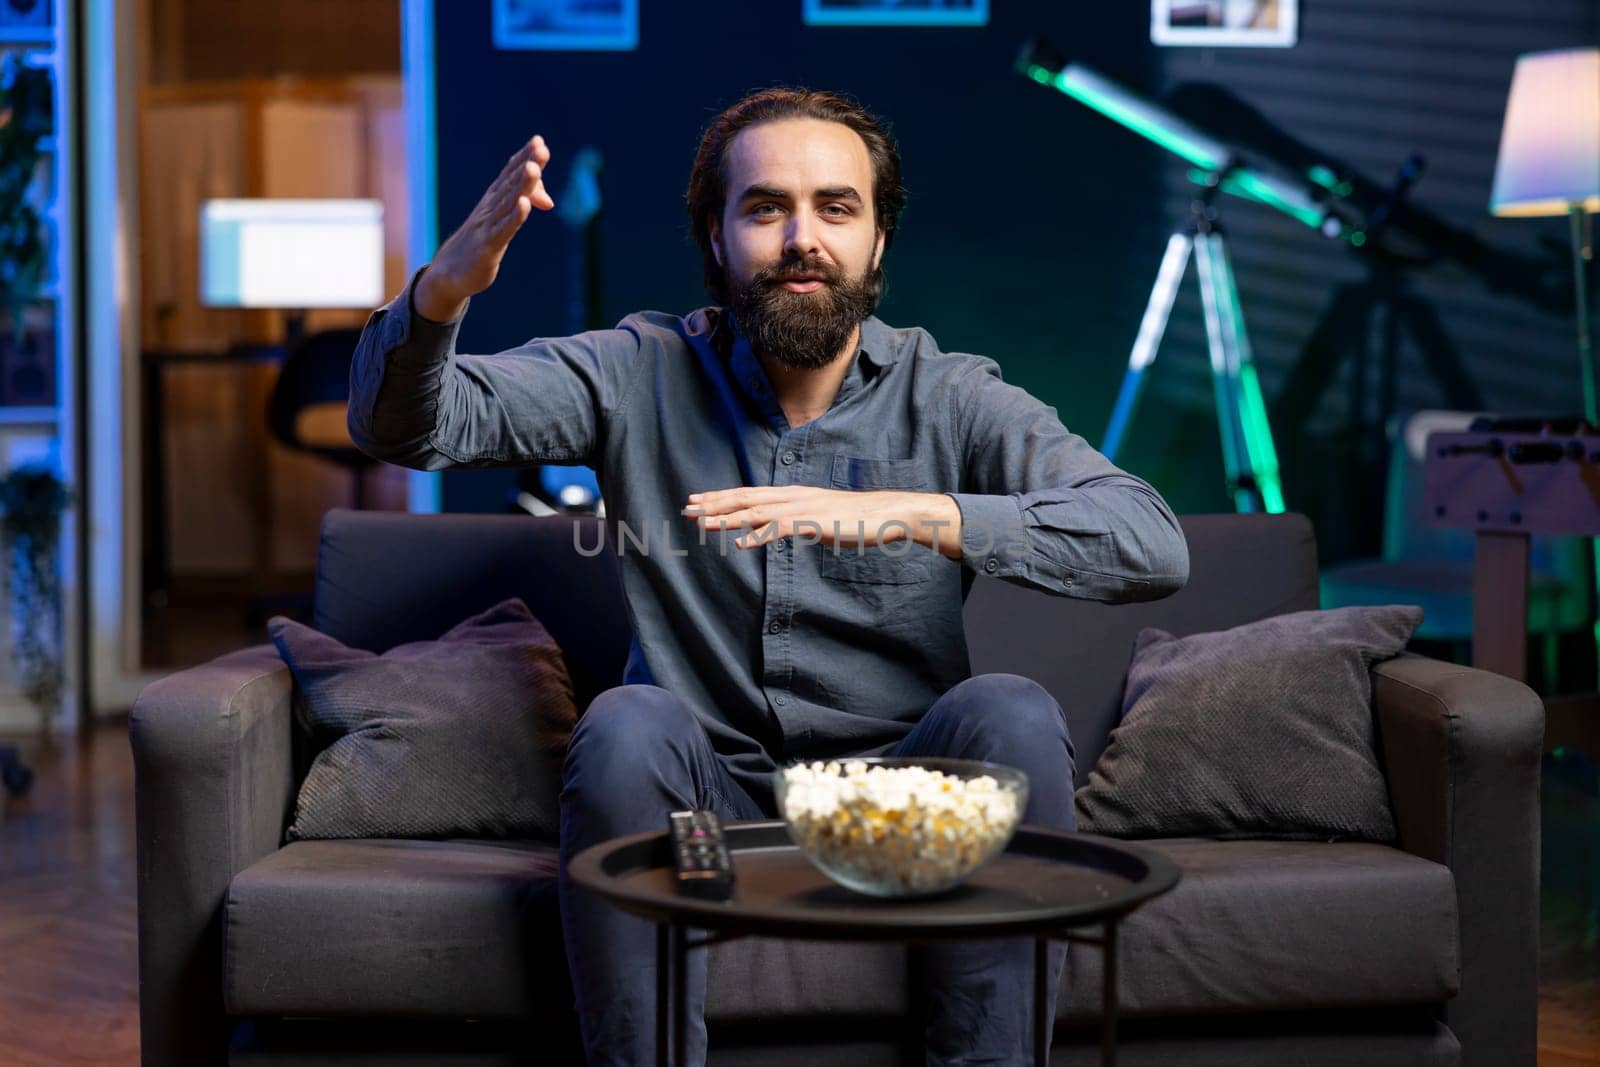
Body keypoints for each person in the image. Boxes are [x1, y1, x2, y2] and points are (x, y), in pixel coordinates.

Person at [349, 87, 1189, 1067]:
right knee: (627, 719)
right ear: (716, 236)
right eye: (764, 208)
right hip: (705, 819)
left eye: (836, 207)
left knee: (1007, 707)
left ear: (877, 242)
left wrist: (913, 511)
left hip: (895, 809)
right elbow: (406, 426)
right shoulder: (637, 368)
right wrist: (443, 292)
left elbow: (1149, 540)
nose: (802, 237)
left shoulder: (954, 396)